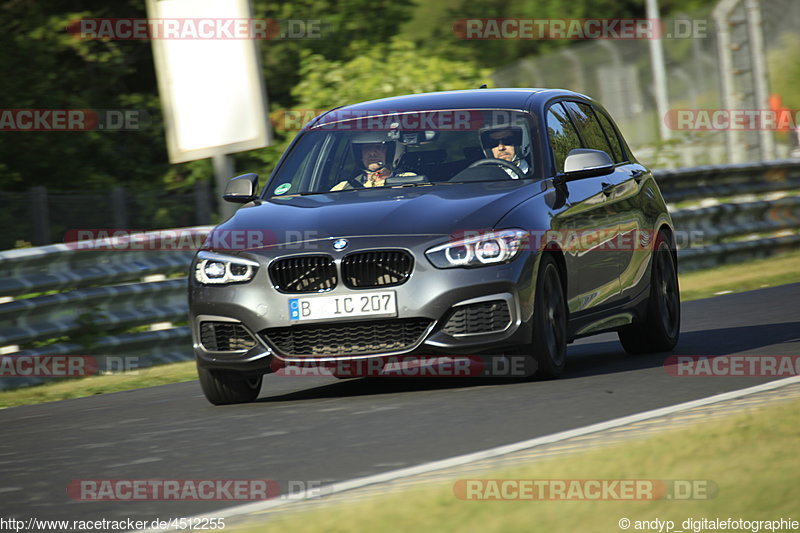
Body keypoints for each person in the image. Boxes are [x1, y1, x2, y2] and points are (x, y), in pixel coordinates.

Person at [330, 132, 409, 191]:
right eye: (367, 148)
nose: (372, 153)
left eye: (379, 147)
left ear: (392, 151)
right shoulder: (343, 188)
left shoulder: (409, 180)